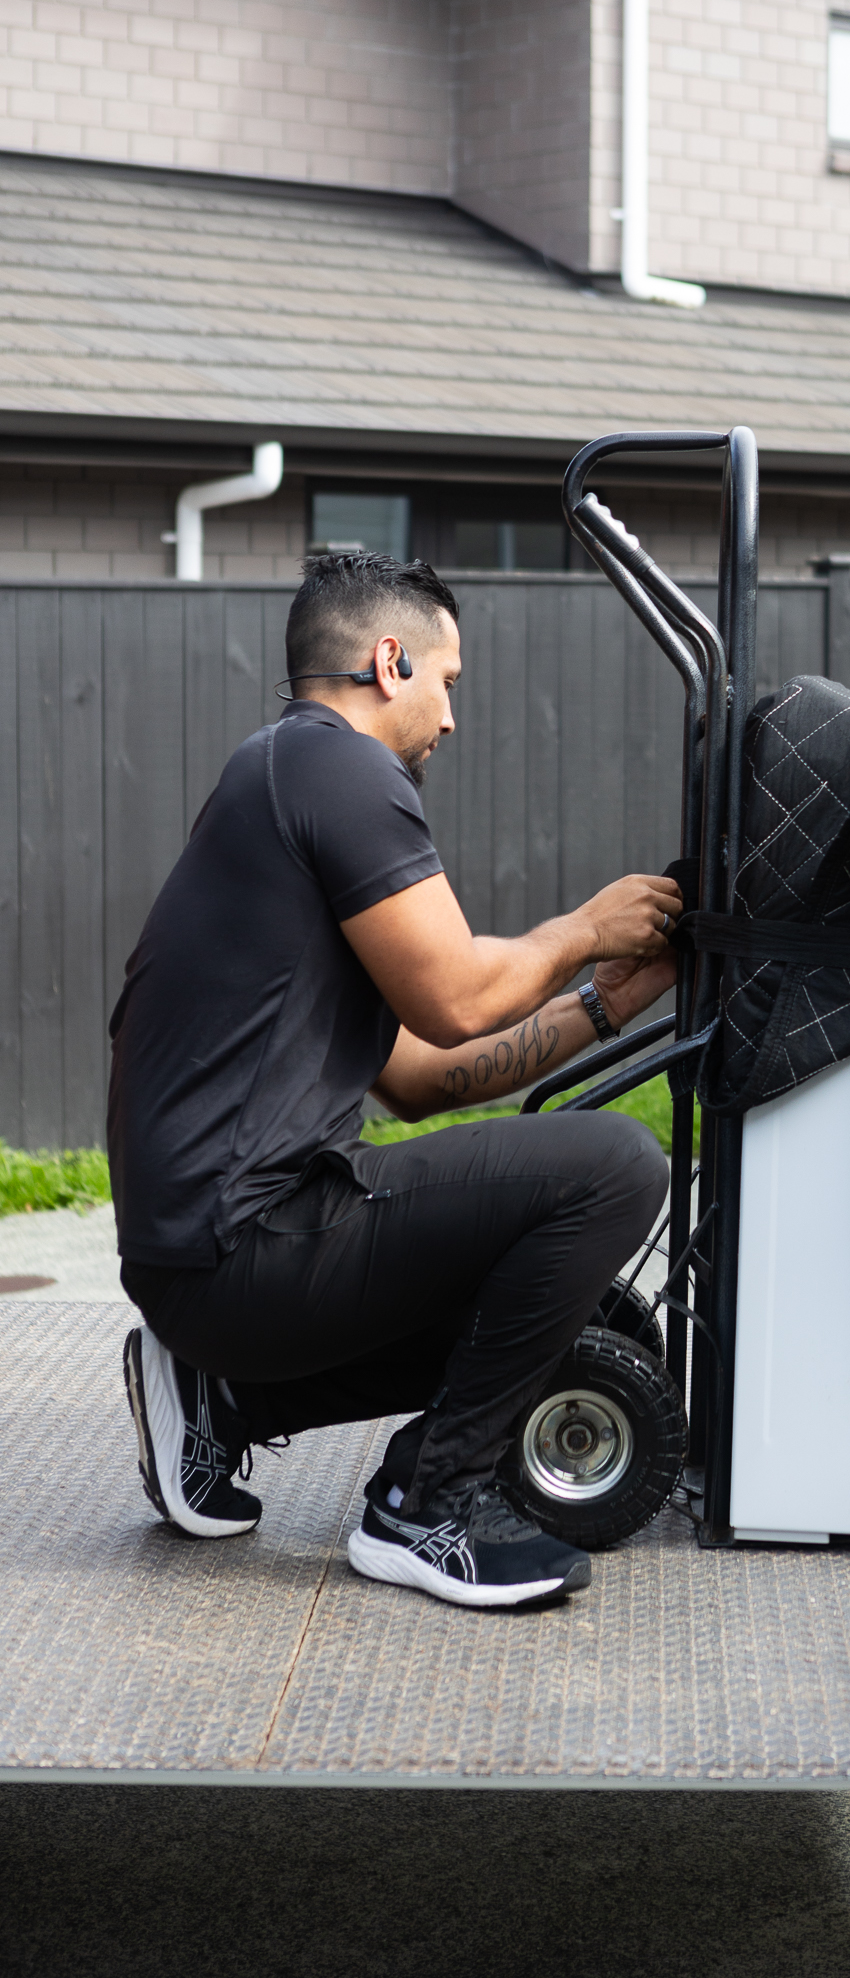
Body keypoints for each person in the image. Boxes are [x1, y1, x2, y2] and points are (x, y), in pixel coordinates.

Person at [111, 551, 682, 1613]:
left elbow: (423, 1077)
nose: (451, 720)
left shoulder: (279, 778)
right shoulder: (337, 765)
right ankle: (426, 1501)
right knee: (615, 1166)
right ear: (389, 660)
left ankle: (221, 1397)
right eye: (447, 682)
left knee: (562, 1298)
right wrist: (586, 927)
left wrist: (610, 999)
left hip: (211, 1258)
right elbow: (459, 999)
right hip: (242, 1244)